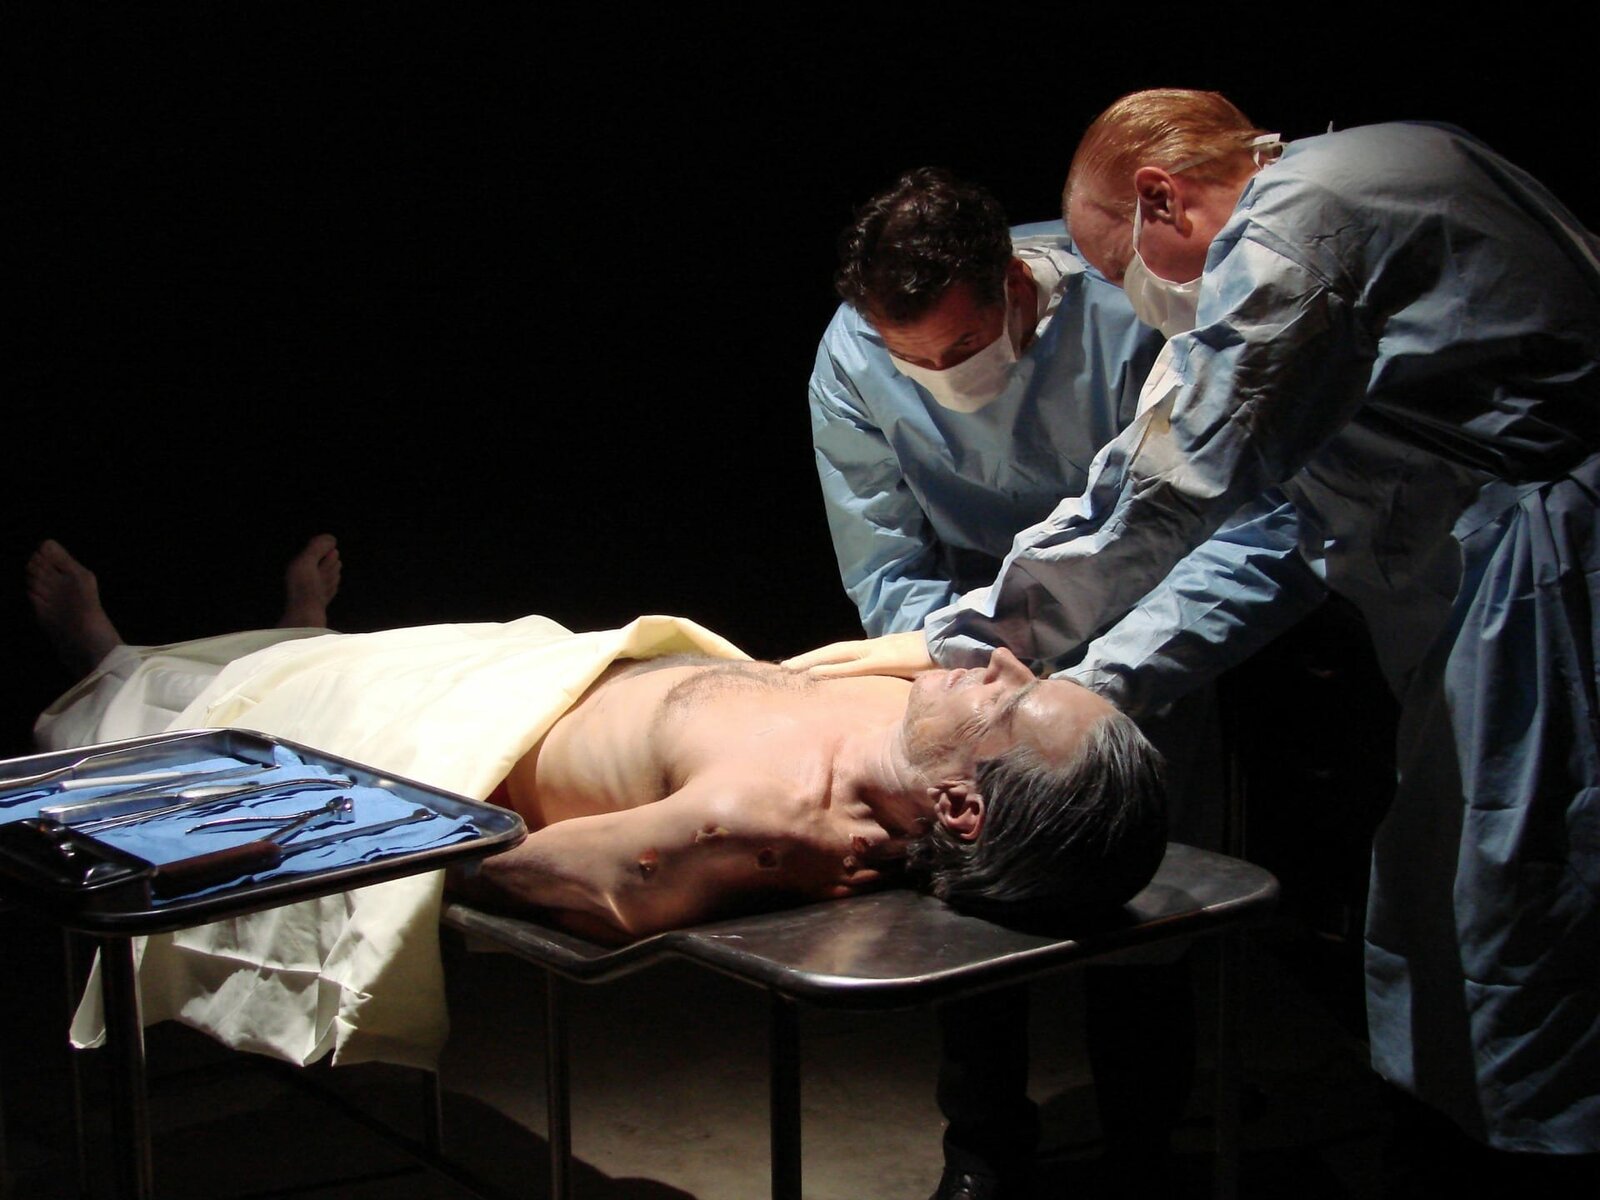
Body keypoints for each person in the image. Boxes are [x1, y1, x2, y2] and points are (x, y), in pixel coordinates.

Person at [793, 90, 1600, 1185]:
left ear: (1161, 198)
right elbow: (1284, 531)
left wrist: (969, 645)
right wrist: (1095, 673)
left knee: (1527, 899)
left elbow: (1173, 492)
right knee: (1465, 897)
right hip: (1477, 591)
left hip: (1549, 584)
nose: (1150, 301)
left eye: (1116, 265)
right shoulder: (1357, 202)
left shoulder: (1298, 224)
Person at [808, 167, 1326, 1198]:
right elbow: (887, 562)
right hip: (973, 656)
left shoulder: (1130, 305)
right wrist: (962, 673)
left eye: (961, 347)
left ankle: (1142, 1149)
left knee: (1143, 906)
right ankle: (983, 1150)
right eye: (915, 362)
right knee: (968, 894)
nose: (940, 375)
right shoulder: (854, 355)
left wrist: (1097, 675)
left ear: (1012, 282)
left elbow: (1215, 512)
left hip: (1140, 626)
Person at [26, 537, 1168, 943]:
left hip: (453, 737)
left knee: (225, 713)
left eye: (1015, 701)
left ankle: (105, 663)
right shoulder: (915, 712)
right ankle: (306, 636)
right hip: (537, 666)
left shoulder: (770, 822)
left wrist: (413, 844)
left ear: (960, 806)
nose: (1006, 667)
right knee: (315, 661)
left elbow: (549, 875)